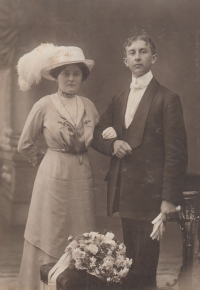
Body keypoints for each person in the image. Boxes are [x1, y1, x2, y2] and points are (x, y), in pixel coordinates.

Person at [91, 35, 188, 290]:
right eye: (132, 53)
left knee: (145, 265)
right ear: (125, 61)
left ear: (153, 58)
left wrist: (169, 197)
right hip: (126, 191)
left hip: (152, 195)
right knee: (131, 262)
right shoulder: (120, 97)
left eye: (143, 51)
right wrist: (112, 145)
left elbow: (176, 153)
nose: (137, 56)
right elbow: (96, 133)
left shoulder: (168, 98)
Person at [17, 44, 109, 290]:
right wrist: (46, 159)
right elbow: (24, 144)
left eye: (76, 74)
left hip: (82, 174)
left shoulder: (88, 105)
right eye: (65, 73)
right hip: (53, 173)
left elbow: (98, 137)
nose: (70, 78)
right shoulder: (44, 105)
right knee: (51, 230)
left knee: (82, 232)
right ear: (56, 77)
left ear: (82, 77)